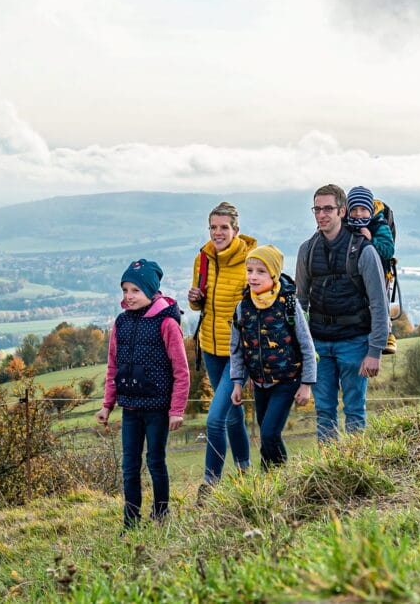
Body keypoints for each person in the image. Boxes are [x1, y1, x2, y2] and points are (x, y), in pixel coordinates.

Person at [96, 258, 188, 531]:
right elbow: (114, 365)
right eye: (125, 290)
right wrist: (107, 405)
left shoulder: (167, 323)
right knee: (129, 466)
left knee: (155, 462)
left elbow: (181, 370)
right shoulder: (121, 323)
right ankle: (131, 520)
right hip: (130, 408)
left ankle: (160, 515)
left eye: (135, 290)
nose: (128, 296)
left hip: (158, 408)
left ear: (150, 291)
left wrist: (176, 409)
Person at [295, 184, 389, 442]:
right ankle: (329, 471)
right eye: (317, 209)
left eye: (328, 209)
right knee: (324, 412)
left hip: (355, 342)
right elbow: (300, 302)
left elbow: (379, 303)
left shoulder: (364, 250)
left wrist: (375, 351)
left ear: (342, 211)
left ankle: (356, 468)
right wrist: (299, 347)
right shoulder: (307, 250)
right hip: (319, 345)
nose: (322, 214)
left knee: (355, 411)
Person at [187, 202, 256, 502]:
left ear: (236, 230)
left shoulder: (250, 260)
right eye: (213, 227)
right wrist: (195, 299)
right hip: (210, 347)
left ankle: (209, 484)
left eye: (223, 227)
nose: (217, 233)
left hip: (238, 353)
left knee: (215, 419)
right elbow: (198, 303)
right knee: (232, 416)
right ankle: (245, 474)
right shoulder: (202, 259)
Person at [229, 245, 317, 469]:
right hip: (260, 383)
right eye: (249, 270)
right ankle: (269, 480)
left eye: (260, 271)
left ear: (274, 275)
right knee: (265, 433)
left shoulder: (287, 304)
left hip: (287, 380)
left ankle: (282, 477)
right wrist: (237, 382)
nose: (253, 277)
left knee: (269, 433)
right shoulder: (243, 307)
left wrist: (306, 384)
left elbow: (306, 344)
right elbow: (237, 348)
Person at [346, 185, 397, 355]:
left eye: (363, 209)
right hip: (354, 271)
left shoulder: (379, 224)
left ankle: (386, 334)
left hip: (380, 271)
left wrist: (371, 240)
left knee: (380, 300)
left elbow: (388, 250)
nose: (358, 214)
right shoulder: (345, 224)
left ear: (370, 210)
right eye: (354, 209)